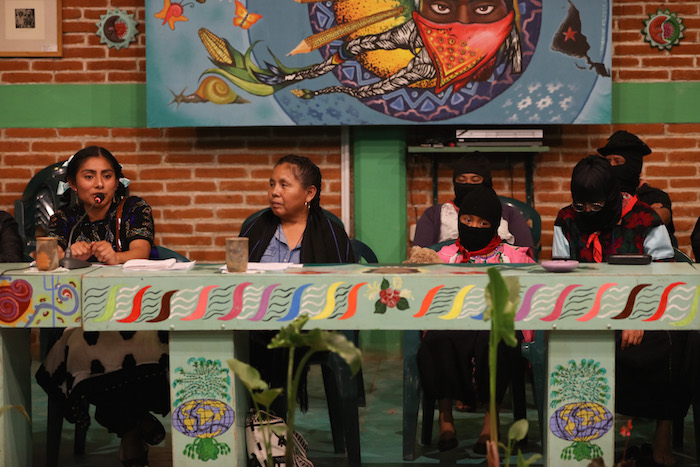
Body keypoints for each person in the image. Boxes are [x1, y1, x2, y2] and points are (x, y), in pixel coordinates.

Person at [35, 146, 168, 467]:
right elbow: (47, 258)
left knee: (128, 343)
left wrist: (116, 256)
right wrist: (69, 254)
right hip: (82, 315)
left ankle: (128, 429)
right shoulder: (65, 219)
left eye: (107, 176)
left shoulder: (134, 208)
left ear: (116, 181)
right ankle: (135, 424)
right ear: (72, 182)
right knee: (80, 345)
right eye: (89, 176)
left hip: (134, 312)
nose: (99, 184)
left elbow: (141, 250)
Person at [553, 155, 682, 466]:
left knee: (677, 343)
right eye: (580, 205)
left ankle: (663, 429)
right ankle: (590, 439)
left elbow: (664, 275)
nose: (587, 212)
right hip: (588, 311)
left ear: (611, 196)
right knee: (573, 345)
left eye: (596, 205)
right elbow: (562, 275)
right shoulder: (567, 219)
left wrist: (636, 316)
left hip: (643, 312)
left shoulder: (644, 218)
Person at [414, 185, 533, 454]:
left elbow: (526, 303)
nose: (474, 227)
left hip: (496, 325)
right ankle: (445, 417)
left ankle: (491, 420)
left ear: (494, 226)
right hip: (452, 324)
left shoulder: (514, 258)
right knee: (437, 339)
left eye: (483, 223)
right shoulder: (443, 257)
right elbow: (426, 301)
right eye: (467, 220)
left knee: (498, 342)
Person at [239, 154, 355, 416]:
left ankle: (271, 420)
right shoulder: (256, 228)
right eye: (272, 184)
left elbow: (343, 288)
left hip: (312, 321)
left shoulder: (330, 232)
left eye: (284, 185)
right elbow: (238, 279)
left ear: (309, 193)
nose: (274, 192)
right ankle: (253, 419)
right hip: (256, 319)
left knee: (283, 338)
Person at [413, 153, 534, 250]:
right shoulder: (434, 214)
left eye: (475, 180)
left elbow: (527, 254)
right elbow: (420, 257)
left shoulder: (509, 214)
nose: (468, 184)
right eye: (461, 180)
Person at [597, 129, 678, 247]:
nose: (612, 165)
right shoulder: (599, 194)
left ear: (633, 163)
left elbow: (662, 217)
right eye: (608, 161)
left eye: (618, 161)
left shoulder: (654, 195)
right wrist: (645, 213)